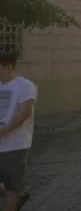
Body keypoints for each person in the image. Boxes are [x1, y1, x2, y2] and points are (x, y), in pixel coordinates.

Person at [0, 51, 36, 211]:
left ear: (8, 66)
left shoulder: (25, 85)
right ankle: (18, 197)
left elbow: (24, 113)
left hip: (14, 146)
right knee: (11, 190)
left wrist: (3, 131)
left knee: (12, 186)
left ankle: (14, 199)